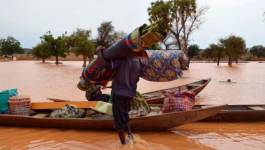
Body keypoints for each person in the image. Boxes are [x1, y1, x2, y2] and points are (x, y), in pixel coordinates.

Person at [110, 55, 142, 145]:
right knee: (125, 114)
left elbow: (110, 69)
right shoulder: (137, 61)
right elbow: (137, 78)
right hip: (130, 94)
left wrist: (99, 52)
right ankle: (130, 135)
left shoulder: (120, 59)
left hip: (119, 93)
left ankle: (123, 145)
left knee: (118, 121)